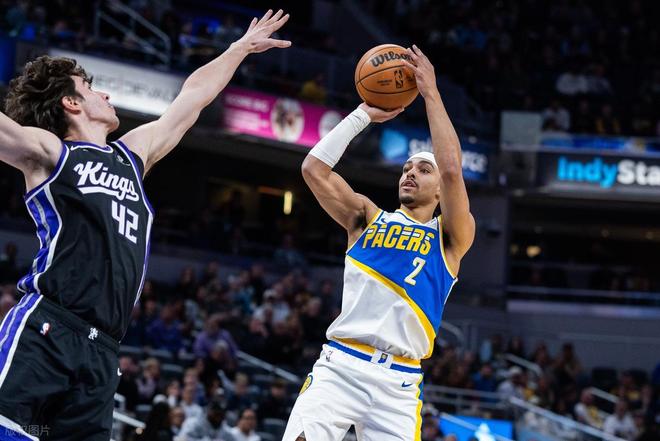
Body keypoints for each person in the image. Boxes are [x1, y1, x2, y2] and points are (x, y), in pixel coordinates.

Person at [0, 9, 290, 440]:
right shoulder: (53, 153)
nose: (106, 95)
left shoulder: (132, 156)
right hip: (48, 327)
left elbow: (193, 97)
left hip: (104, 349)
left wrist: (238, 49)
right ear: (71, 103)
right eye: (91, 89)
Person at [282, 45, 475, 441]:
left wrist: (431, 93)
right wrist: (361, 116)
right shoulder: (367, 217)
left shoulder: (450, 237)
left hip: (399, 385)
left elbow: (453, 170)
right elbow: (313, 169)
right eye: (406, 168)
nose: (410, 174)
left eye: (423, 170)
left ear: (439, 189)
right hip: (341, 366)